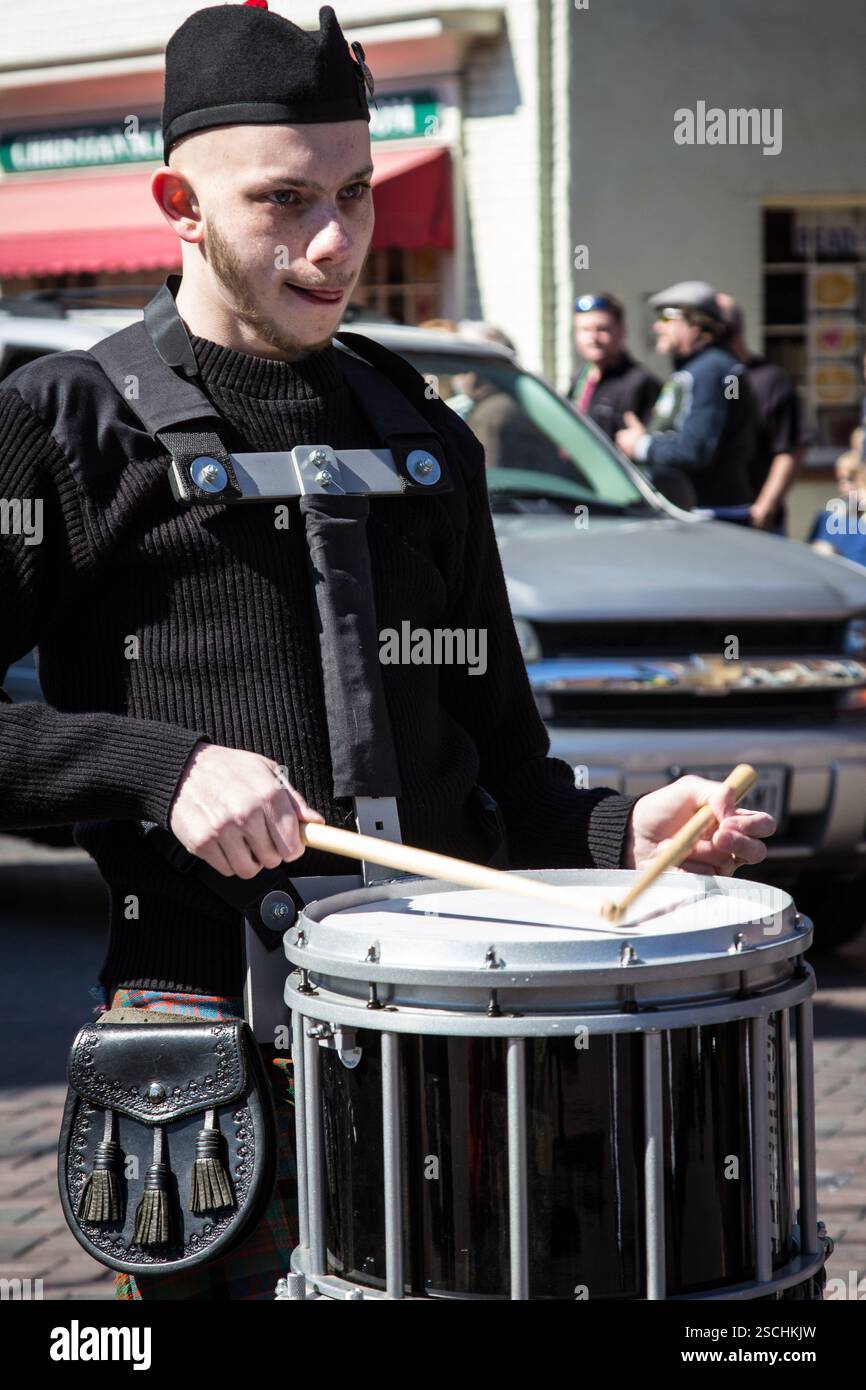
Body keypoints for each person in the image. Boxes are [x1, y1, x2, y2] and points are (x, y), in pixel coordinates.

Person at [0, 2, 774, 1301]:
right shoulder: (60, 424)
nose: (334, 242)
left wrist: (624, 834)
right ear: (178, 201)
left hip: (461, 1030)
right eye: (286, 200)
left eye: (357, 195)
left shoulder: (426, 436)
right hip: (207, 1032)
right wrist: (162, 767)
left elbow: (511, 771)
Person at [616, 280, 757, 510]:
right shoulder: (698, 369)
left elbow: (694, 451)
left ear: (696, 325)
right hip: (698, 510)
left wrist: (642, 445)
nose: (657, 327)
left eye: (666, 318)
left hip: (710, 514)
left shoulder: (711, 371)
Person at [716, 292, 804, 533]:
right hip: (718, 514)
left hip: (757, 518)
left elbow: (790, 448)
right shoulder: (728, 378)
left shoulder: (770, 380)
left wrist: (766, 505)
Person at [567, 292, 660, 439]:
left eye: (602, 329)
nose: (593, 338)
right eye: (585, 330)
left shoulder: (641, 384)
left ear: (621, 331)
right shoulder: (579, 380)